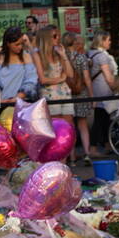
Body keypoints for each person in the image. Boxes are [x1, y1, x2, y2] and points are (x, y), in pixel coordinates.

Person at [36, 23, 74, 154]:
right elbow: (43, 80)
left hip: (64, 93)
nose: (58, 38)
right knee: (55, 130)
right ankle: (55, 160)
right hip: (50, 95)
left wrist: (64, 55)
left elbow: (70, 74)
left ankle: (67, 162)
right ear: (47, 39)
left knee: (67, 129)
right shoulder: (38, 55)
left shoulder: (59, 54)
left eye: (58, 35)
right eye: (54, 36)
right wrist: (60, 79)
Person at [0, 26, 40, 108]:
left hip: (22, 104)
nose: (20, 47)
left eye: (21, 43)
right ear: (7, 43)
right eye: (16, 44)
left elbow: (31, 80)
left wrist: (19, 97)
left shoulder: (26, 56)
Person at [63, 32, 94, 163]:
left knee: (69, 127)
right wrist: (92, 96)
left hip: (67, 94)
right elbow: (87, 78)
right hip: (81, 93)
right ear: (74, 42)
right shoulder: (81, 57)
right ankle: (87, 153)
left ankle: (72, 157)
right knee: (83, 125)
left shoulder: (61, 57)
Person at [87, 31, 118, 157]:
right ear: (102, 41)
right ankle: (93, 147)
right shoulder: (102, 56)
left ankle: (107, 145)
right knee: (100, 119)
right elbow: (108, 77)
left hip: (96, 89)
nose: (110, 42)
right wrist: (115, 88)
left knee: (104, 119)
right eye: (108, 40)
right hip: (103, 90)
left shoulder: (90, 54)